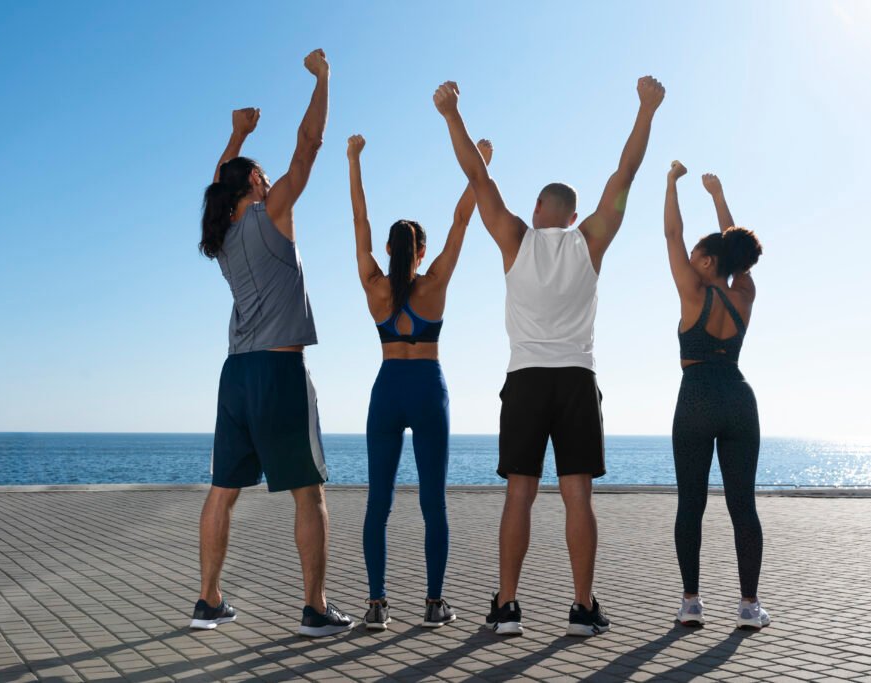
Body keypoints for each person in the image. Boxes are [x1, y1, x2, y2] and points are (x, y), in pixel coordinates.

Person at [433, 76, 665, 637]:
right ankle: (584, 608)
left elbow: (477, 175)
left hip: (527, 379)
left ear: (540, 207)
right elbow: (625, 174)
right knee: (577, 495)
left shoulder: (514, 236)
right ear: (572, 213)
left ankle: (507, 606)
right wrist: (646, 108)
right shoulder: (591, 240)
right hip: (577, 380)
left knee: (520, 493)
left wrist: (451, 114)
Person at [192, 49, 354, 638]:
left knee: (222, 492)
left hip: (235, 376)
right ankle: (315, 608)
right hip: (279, 373)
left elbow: (219, 183)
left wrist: (235, 134)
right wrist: (324, 79)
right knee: (308, 496)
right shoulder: (270, 212)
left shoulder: (225, 234)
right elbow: (308, 146)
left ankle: (207, 601)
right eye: (260, 175)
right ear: (256, 186)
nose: (268, 179)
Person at [347, 133, 494, 631]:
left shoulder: (374, 285)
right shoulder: (434, 285)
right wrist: (481, 166)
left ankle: (376, 606)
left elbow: (359, 221)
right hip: (429, 388)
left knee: (378, 504)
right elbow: (461, 221)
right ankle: (434, 606)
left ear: (388, 249)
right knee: (434, 501)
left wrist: (353, 160)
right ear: (422, 249)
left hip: (387, 389)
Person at [663, 161, 769, 629]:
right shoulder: (743, 293)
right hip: (739, 397)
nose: (685, 258)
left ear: (707, 262)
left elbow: (671, 233)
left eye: (694, 255)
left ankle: (692, 603)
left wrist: (671, 184)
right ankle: (749, 607)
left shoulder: (693, 292)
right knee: (742, 505)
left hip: (698, 397)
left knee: (692, 502)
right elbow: (737, 254)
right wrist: (719, 197)